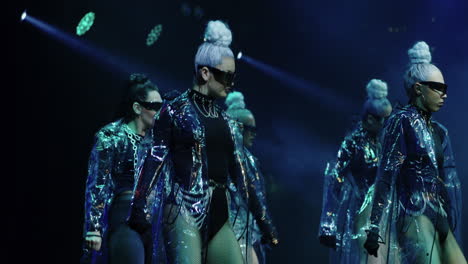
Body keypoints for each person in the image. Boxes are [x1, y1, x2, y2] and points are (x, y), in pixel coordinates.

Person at [127, 20, 277, 264]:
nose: (231, 82)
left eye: (233, 76)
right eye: (226, 76)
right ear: (205, 72)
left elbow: (241, 175)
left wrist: (264, 221)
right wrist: (138, 204)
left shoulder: (227, 122)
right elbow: (155, 157)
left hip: (220, 210)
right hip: (182, 209)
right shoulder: (174, 111)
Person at [364, 41, 466, 263]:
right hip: (412, 213)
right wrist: (374, 228)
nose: (444, 95)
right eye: (438, 88)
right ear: (418, 88)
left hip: (438, 215)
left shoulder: (440, 131)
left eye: (445, 89)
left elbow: (448, 179)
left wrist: (449, 216)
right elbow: (386, 175)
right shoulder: (400, 122)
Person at [82, 73, 163, 264]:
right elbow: (98, 184)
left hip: (154, 220)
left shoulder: (160, 143)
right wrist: (94, 228)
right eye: (156, 107)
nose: (161, 112)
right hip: (124, 215)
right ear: (137, 108)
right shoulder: (111, 136)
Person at [318, 79, 392, 263]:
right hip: (360, 213)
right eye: (383, 120)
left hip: (384, 214)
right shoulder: (352, 143)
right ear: (369, 118)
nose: (386, 125)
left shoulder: (384, 143)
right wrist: (328, 226)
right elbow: (335, 181)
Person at [225, 91, 278, 264]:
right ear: (238, 128)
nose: (254, 134)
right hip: (231, 229)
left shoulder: (249, 159)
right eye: (251, 129)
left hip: (248, 229)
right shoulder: (231, 158)